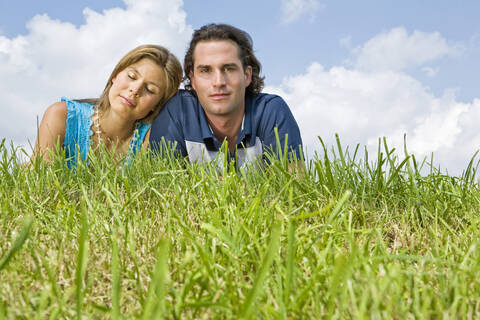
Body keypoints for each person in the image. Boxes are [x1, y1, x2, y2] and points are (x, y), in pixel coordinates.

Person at [148, 24, 303, 171]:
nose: (218, 82)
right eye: (206, 70)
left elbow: (292, 189)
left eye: (229, 69)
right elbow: (164, 191)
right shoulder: (176, 113)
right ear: (193, 79)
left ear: (247, 75)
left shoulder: (272, 111)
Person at [32, 44, 182, 167]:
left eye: (150, 90)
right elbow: (40, 185)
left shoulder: (151, 137)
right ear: (115, 76)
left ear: (157, 105)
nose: (135, 90)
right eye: (131, 76)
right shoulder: (61, 116)